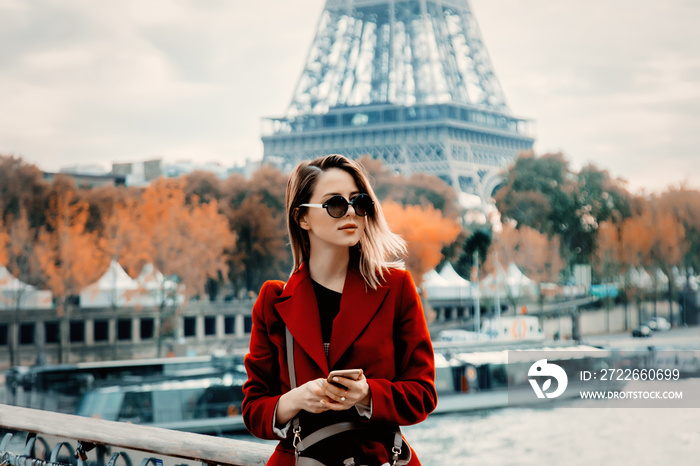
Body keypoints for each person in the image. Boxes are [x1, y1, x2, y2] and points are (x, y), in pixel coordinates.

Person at [242, 154, 437, 465]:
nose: (350, 213)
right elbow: (253, 411)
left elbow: (423, 394)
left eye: (358, 202)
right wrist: (295, 399)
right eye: (335, 204)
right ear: (302, 218)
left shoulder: (396, 287)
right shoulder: (273, 300)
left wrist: (367, 393)